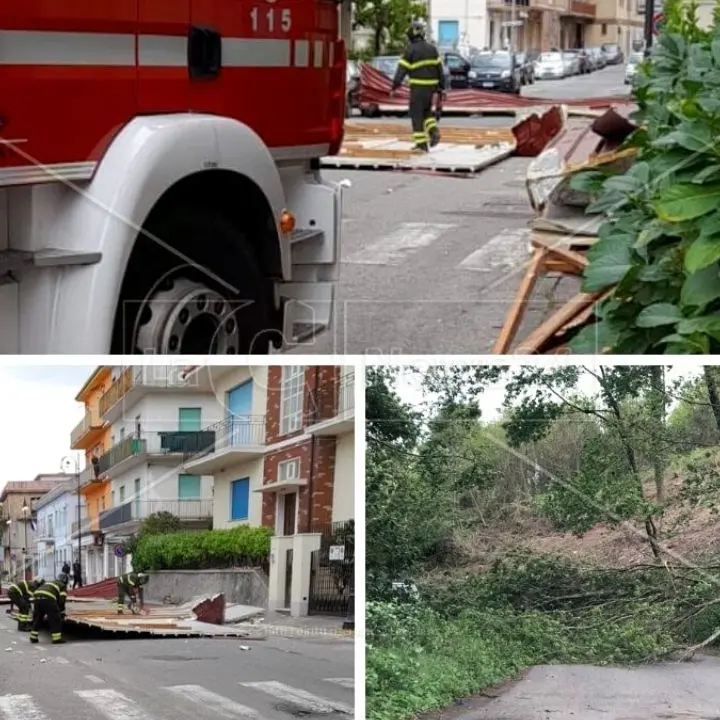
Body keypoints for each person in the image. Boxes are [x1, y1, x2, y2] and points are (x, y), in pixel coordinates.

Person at [390, 21, 445, 152]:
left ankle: (421, 144)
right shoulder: (432, 49)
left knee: (416, 115)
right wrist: (441, 87)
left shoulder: (410, 50)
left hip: (418, 88)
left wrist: (394, 86)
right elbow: (440, 69)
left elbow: (401, 70)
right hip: (431, 89)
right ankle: (433, 131)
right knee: (426, 112)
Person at [30, 573, 68, 645]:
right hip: (48, 598)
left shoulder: (50, 582)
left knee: (38, 617)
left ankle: (33, 637)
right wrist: (61, 612)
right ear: (65, 580)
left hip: (37, 596)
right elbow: (62, 601)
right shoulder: (62, 586)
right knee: (55, 618)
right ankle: (56, 639)